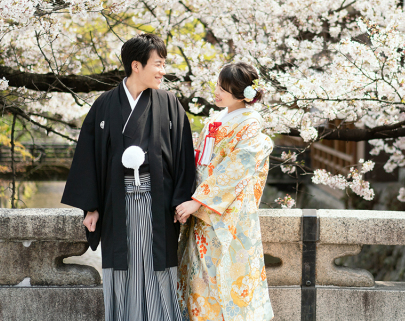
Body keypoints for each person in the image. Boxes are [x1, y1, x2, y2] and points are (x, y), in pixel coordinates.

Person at [61, 33, 196, 321]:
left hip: (159, 204)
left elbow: (184, 156)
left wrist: (182, 200)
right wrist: (91, 206)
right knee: (124, 266)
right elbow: (89, 155)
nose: (162, 71)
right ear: (137, 65)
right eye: (158, 64)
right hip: (116, 203)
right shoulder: (105, 105)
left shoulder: (170, 104)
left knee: (159, 265)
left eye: (163, 64)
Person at [175, 62, 274, 321]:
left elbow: (237, 169)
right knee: (198, 280)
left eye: (224, 88)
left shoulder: (251, 126)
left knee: (221, 280)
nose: (217, 91)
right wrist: (187, 196)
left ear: (243, 94)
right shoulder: (215, 120)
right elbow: (198, 161)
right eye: (218, 85)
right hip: (202, 210)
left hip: (226, 214)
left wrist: (198, 201)